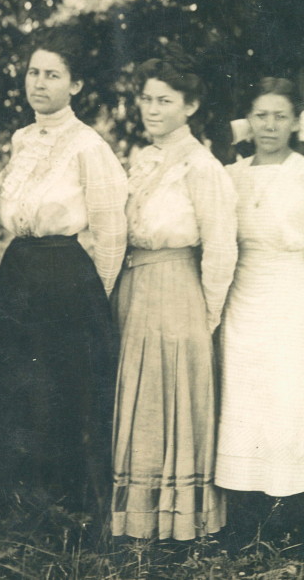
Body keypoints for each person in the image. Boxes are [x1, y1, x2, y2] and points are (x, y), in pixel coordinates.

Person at [0, 26, 127, 511]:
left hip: (66, 277)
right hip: (18, 269)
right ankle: (13, 502)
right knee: (12, 384)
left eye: (53, 75)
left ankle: (64, 508)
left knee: (58, 391)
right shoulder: (23, 139)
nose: (39, 83)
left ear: (75, 84)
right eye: (33, 73)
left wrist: (90, 299)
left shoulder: (88, 146)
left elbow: (110, 231)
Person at [215, 78, 304, 534]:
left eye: (279, 116)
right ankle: (246, 514)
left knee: (291, 403)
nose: (269, 126)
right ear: (247, 121)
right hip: (243, 298)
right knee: (246, 400)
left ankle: (299, 518)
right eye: (261, 116)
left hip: (295, 301)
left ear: (296, 122)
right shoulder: (229, 175)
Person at [111, 49, 237, 541]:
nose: (151, 109)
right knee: (138, 403)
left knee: (171, 404)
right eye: (145, 99)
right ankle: (136, 522)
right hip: (135, 285)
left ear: (191, 106)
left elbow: (221, 248)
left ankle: (179, 525)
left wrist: (203, 318)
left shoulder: (202, 167)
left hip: (178, 291)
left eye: (164, 100)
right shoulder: (142, 161)